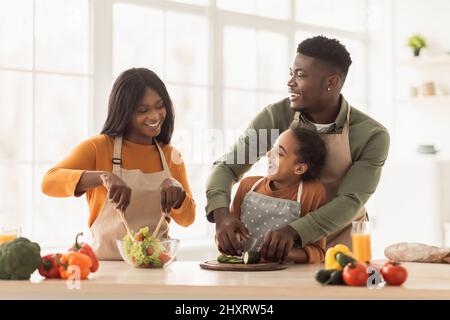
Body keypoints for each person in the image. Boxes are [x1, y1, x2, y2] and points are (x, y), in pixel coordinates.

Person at [206, 35, 390, 262]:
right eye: (291, 73)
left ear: (331, 82)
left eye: (300, 75)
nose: (290, 82)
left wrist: (294, 231)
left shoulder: (371, 135)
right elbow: (226, 167)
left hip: (343, 250)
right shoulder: (276, 117)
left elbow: (350, 201)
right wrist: (222, 215)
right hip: (282, 252)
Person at [42, 68, 195, 260]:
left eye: (159, 106)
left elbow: (188, 219)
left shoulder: (171, 155)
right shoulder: (98, 147)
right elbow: (48, 182)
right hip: (105, 269)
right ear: (124, 111)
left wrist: (178, 193)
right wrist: (102, 177)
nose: (155, 116)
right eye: (143, 110)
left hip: (155, 270)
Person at [229, 126, 327, 263]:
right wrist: (229, 241)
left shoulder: (312, 193)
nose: (269, 154)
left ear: (299, 168)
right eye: (272, 148)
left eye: (279, 153)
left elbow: (318, 252)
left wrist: (286, 253)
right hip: (243, 272)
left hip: (286, 278)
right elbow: (229, 233)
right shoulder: (247, 186)